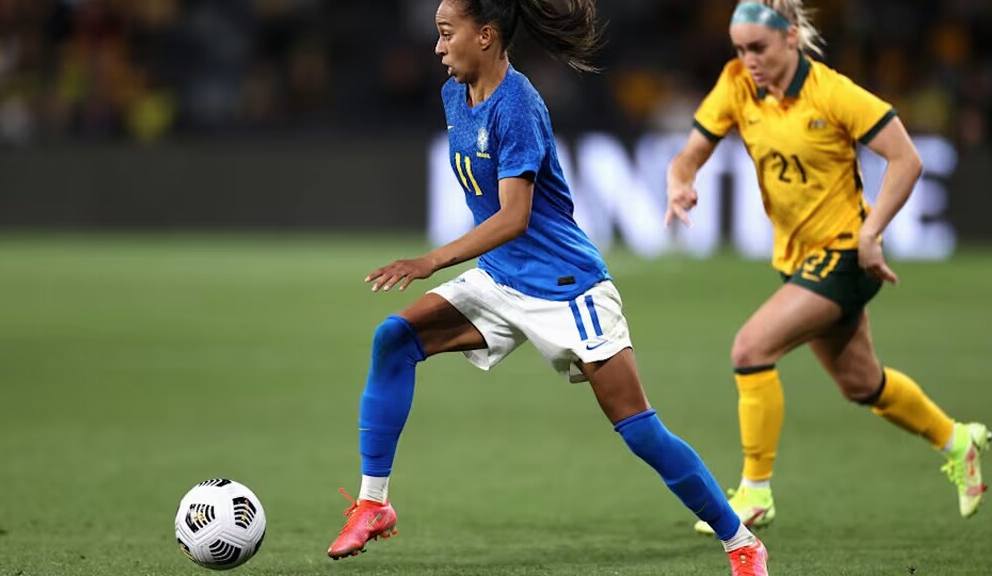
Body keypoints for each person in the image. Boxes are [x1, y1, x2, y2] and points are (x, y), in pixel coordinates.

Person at [327, 0, 769, 573]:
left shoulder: (519, 106)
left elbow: (513, 216)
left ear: (485, 36)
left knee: (639, 430)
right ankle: (372, 504)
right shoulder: (452, 96)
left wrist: (433, 260)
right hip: (502, 279)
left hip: (568, 288)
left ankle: (740, 541)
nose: (437, 47)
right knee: (395, 339)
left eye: (446, 33)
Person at [664, 0, 992, 536]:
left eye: (759, 48)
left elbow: (907, 158)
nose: (749, 60)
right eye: (740, 49)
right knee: (863, 383)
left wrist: (871, 231)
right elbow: (688, 155)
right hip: (798, 260)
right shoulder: (736, 84)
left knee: (751, 349)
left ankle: (755, 492)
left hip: (846, 254)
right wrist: (679, 181)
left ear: (791, 37)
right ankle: (958, 439)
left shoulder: (832, 93)